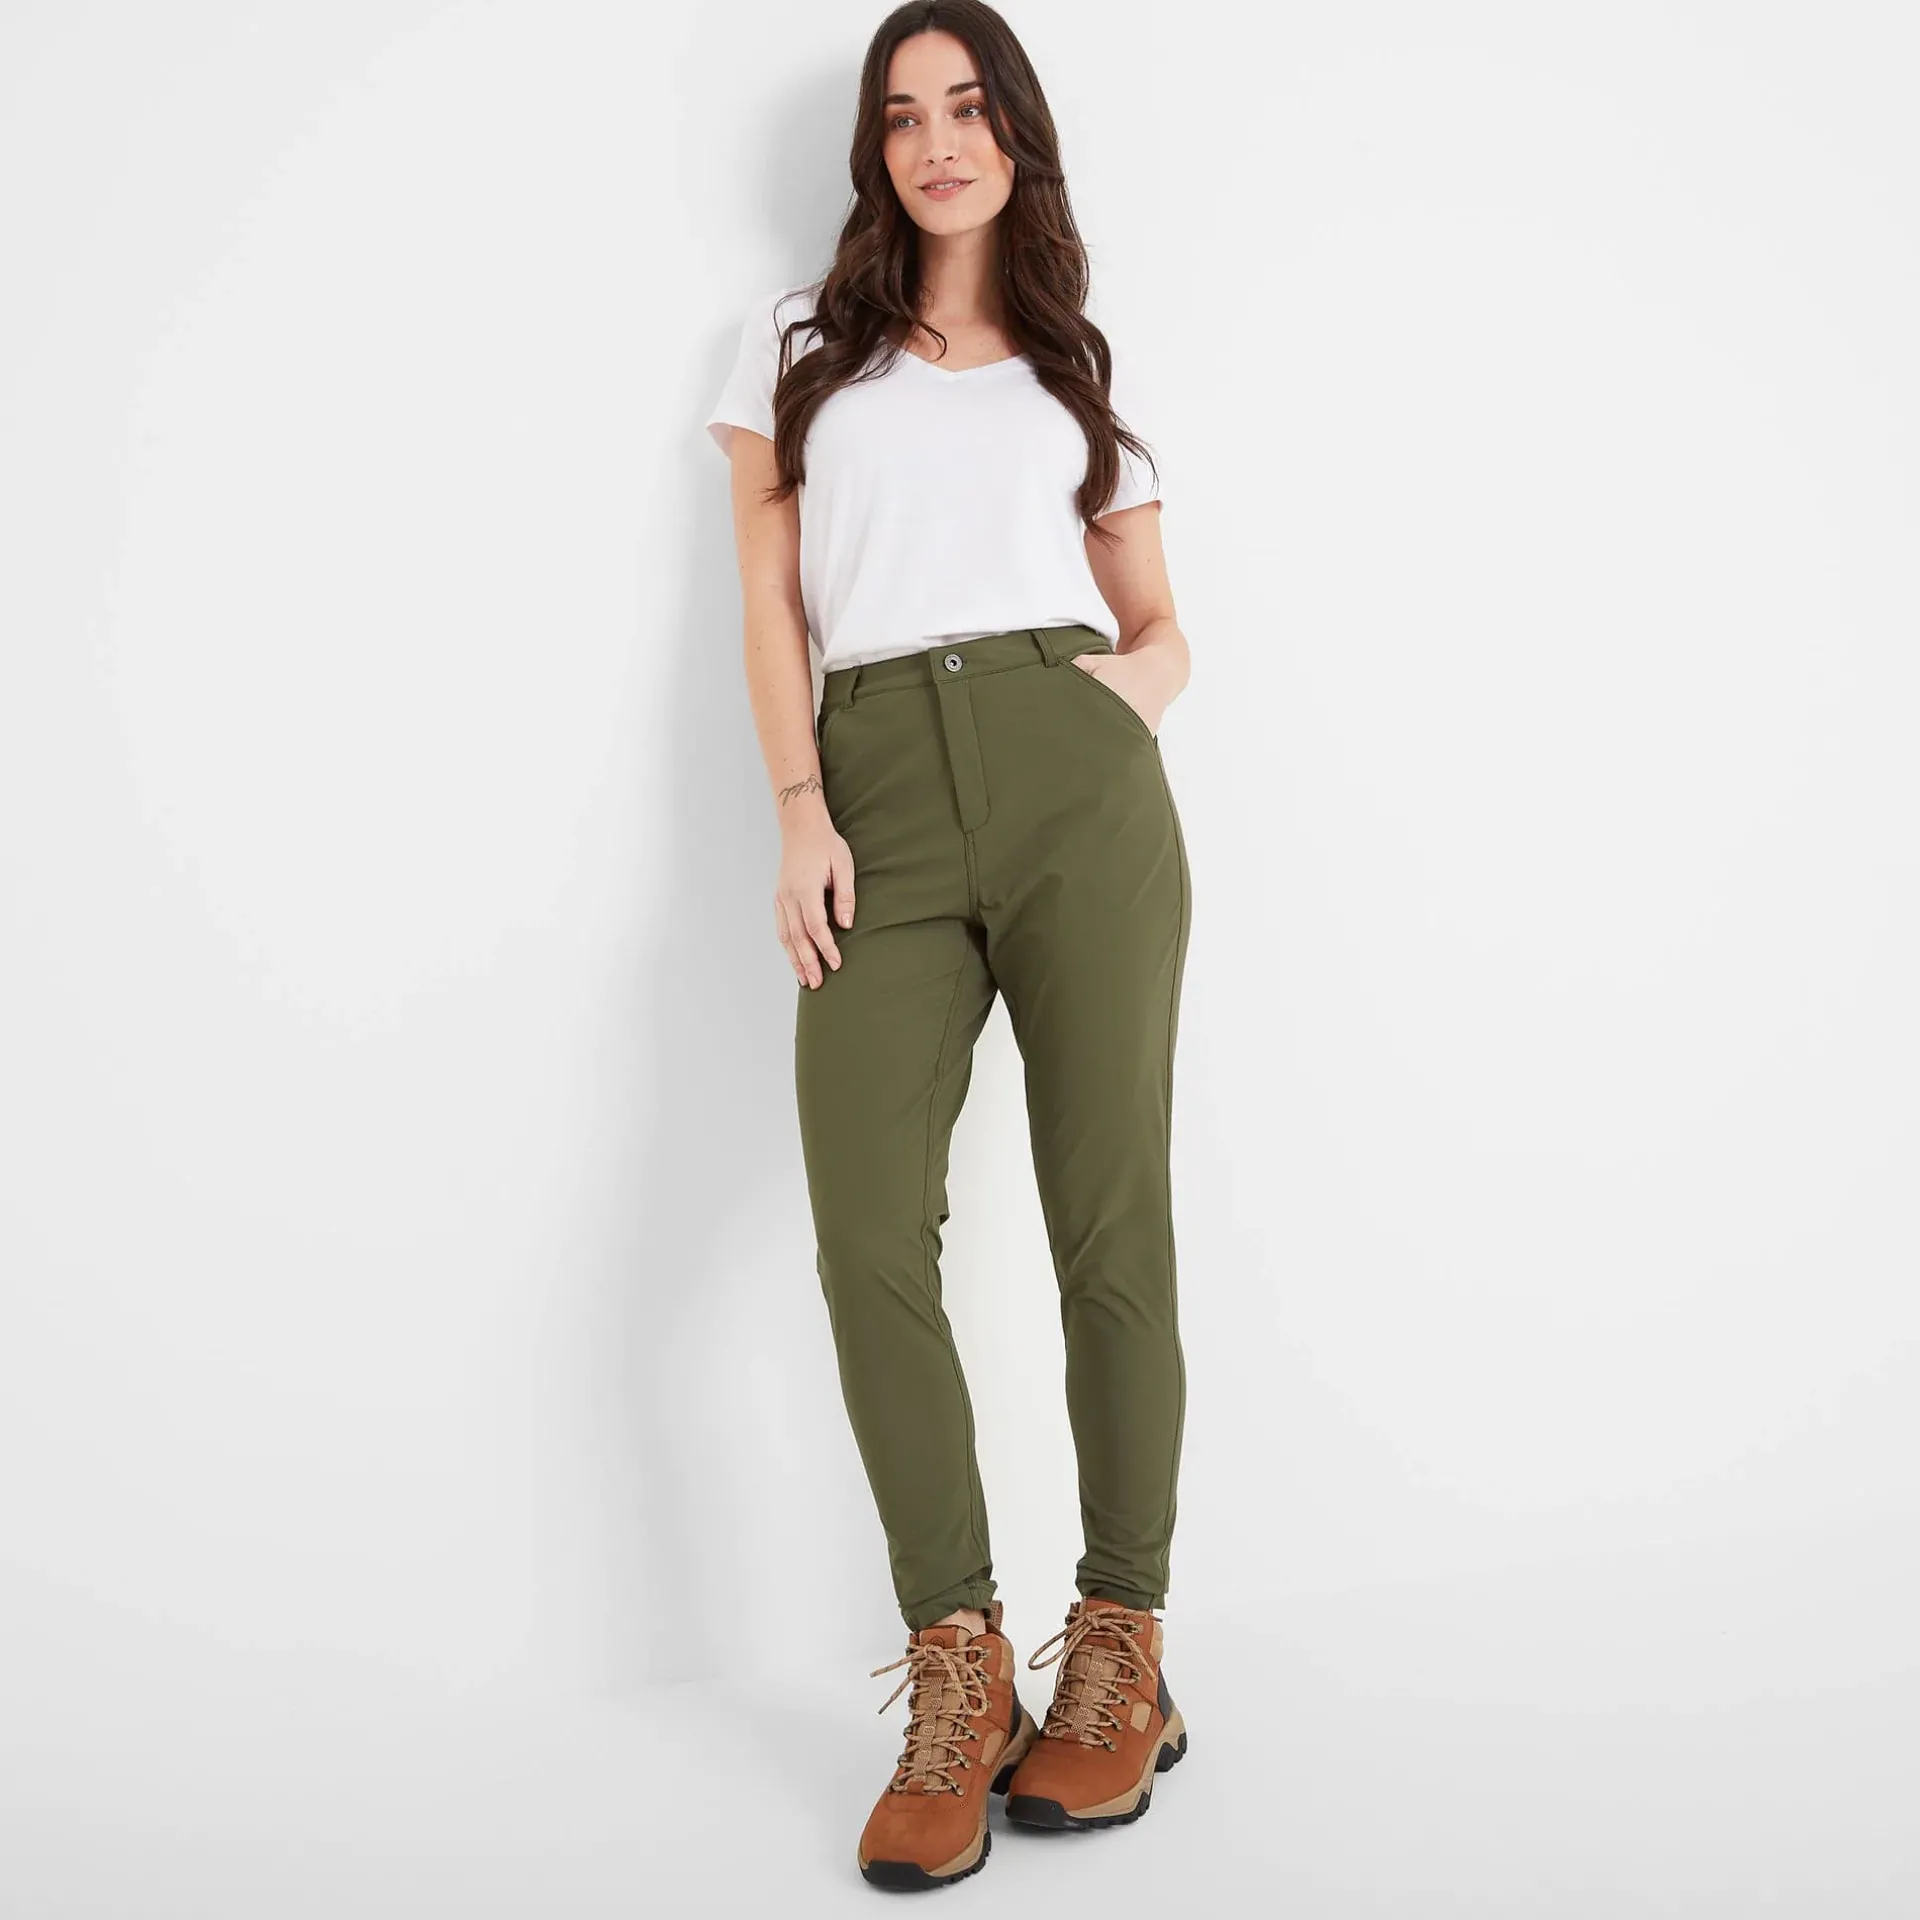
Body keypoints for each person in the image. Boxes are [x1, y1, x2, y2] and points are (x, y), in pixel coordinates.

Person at [704, 0, 1193, 1890]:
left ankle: (1122, 1648)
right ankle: (961, 1666)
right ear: (875, 149)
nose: (937, 142)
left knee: (1107, 1218)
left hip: (1079, 794)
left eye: (969, 106)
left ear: (1017, 134)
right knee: (864, 1234)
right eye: (904, 114)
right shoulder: (796, 348)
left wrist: (1109, 711)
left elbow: (1163, 625)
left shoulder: (1082, 364)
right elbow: (769, 602)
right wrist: (800, 810)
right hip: (876, 794)